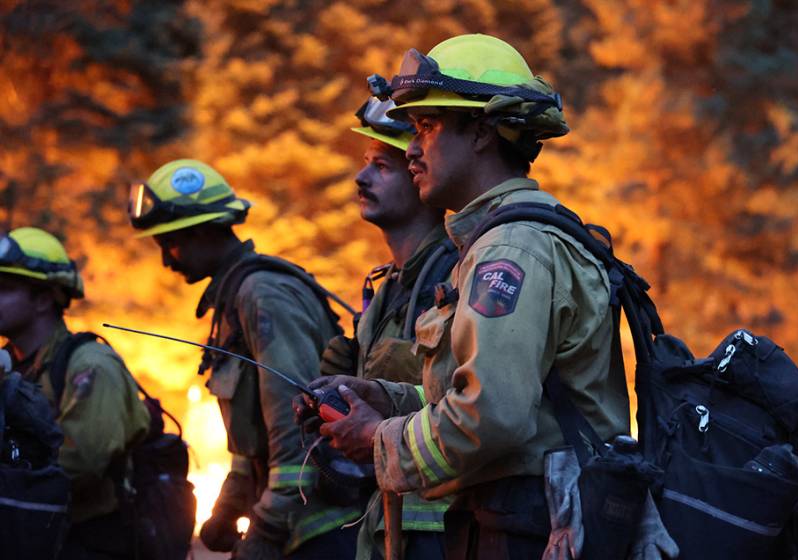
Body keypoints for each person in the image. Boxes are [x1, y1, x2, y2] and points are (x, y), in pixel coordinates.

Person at [298, 34, 630, 559]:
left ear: (480, 133)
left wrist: (379, 437)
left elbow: (491, 416)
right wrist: (385, 399)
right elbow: (509, 400)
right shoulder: (501, 241)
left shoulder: (511, 250)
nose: (410, 147)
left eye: (427, 127)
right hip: (518, 520)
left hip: (527, 529)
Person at [128, 159, 359, 560]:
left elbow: (295, 425)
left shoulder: (262, 295)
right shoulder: (235, 299)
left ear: (201, 230)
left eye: (170, 243)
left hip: (324, 530)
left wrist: (266, 530)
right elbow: (251, 431)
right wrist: (229, 505)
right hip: (296, 523)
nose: (166, 260)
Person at [317, 96, 456, 560]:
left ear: (418, 176)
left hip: (439, 526)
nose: (361, 177)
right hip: (387, 519)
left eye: (382, 166)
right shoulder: (387, 289)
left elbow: (468, 405)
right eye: (364, 163)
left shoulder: (455, 276)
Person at [0, 227, 151, 560]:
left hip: (88, 542)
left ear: (43, 299)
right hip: (29, 536)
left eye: (5, 289)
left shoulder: (90, 364)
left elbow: (83, 460)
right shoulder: (10, 368)